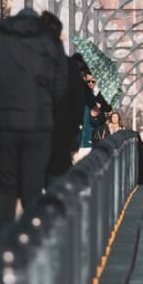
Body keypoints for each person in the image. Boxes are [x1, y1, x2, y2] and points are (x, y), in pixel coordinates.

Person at [0, 9, 68, 233]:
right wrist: (49, 108)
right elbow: (62, 81)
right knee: (32, 188)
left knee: (6, 188)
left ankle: (4, 244)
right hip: (38, 124)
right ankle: (31, 244)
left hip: (4, 122)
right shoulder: (47, 38)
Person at [41, 12, 88, 182]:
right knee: (58, 181)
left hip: (33, 132)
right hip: (61, 134)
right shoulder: (68, 65)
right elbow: (78, 102)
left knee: (30, 186)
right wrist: (74, 131)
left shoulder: (27, 63)